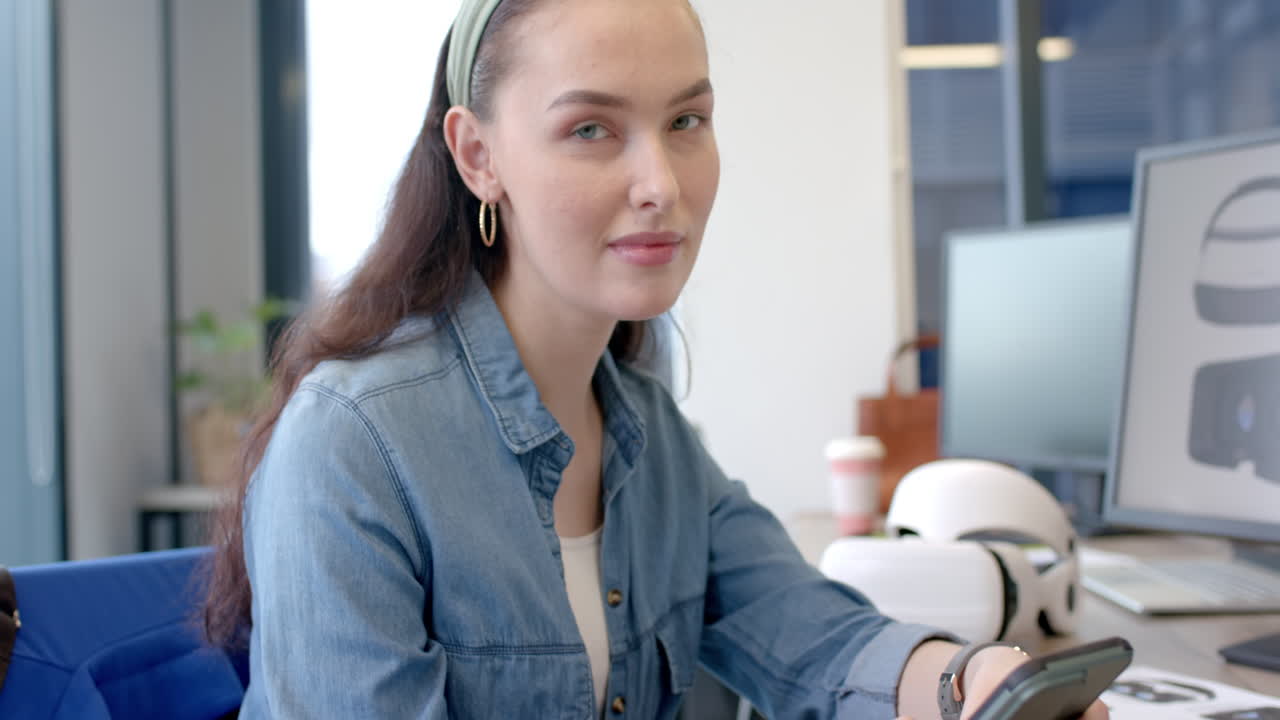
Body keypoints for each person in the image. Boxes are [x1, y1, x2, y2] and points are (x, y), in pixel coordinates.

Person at [202, 1, 1111, 718]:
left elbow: (815, 638)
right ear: (479, 157)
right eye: (592, 129)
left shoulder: (652, 438)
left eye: (687, 119)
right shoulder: (354, 444)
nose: (662, 186)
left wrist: (972, 684)